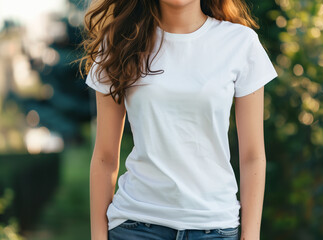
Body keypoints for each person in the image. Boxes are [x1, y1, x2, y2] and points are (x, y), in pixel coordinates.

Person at [80, 0, 278, 239]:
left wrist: (251, 235)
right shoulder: (119, 44)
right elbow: (104, 158)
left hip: (215, 228)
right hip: (136, 226)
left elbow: (253, 157)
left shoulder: (240, 43)